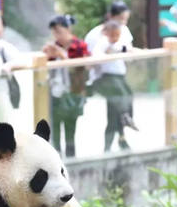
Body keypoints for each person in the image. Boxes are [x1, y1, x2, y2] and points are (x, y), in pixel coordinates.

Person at [42, 15, 89, 158]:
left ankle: (71, 159)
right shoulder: (53, 46)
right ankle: (57, 160)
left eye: (59, 31)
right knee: (54, 129)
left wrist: (62, 56)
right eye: (54, 32)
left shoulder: (79, 46)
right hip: (55, 94)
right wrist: (46, 55)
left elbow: (85, 67)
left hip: (73, 92)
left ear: (68, 29)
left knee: (70, 130)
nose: (57, 35)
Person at [90, 20, 138, 152]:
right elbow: (97, 55)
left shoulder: (119, 43)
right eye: (112, 35)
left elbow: (127, 53)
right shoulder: (103, 43)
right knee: (120, 99)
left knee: (126, 97)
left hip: (120, 77)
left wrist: (125, 50)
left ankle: (125, 120)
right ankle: (125, 117)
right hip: (108, 78)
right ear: (106, 34)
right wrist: (108, 52)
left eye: (117, 35)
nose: (115, 38)